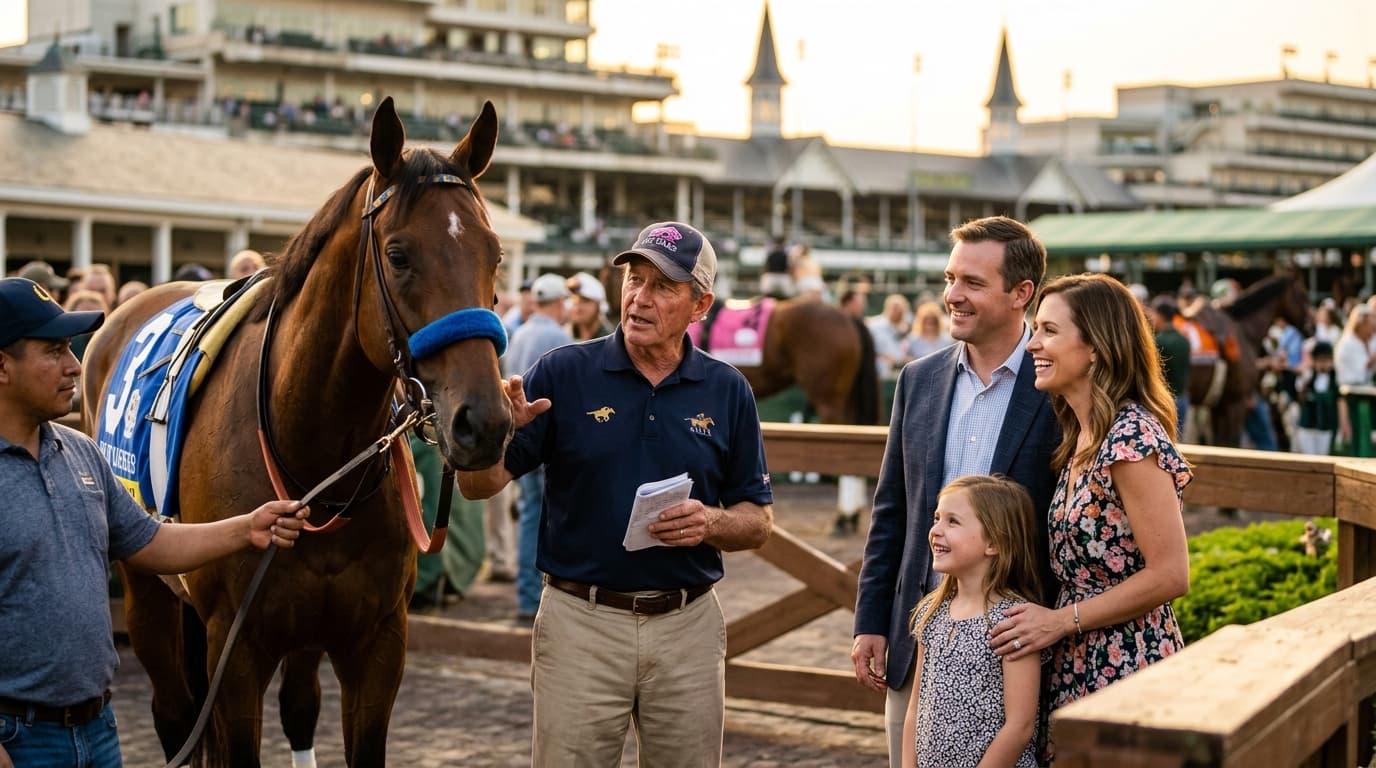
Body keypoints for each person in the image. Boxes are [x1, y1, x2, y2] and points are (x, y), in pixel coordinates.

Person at [457, 221, 773, 766]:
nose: (639, 299)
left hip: (688, 626)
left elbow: (758, 521)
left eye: (663, 287)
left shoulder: (728, 390)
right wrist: (492, 437)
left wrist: (711, 523)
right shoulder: (563, 372)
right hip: (581, 622)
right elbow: (477, 486)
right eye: (634, 279)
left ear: (701, 305)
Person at [0, 277, 308, 768]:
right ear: (2, 368)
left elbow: (148, 541)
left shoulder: (81, 453)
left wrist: (247, 527)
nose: (74, 365)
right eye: (53, 351)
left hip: (98, 731)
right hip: (19, 740)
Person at [852, 216, 1058, 768]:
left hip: (1012, 649)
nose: (952, 296)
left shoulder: (1057, 387)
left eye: (971, 282)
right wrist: (870, 619)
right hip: (917, 639)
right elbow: (891, 511)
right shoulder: (917, 379)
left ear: (1022, 294)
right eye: (950, 279)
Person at [991, 273, 1191, 760]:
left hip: (1128, 664)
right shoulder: (1080, 436)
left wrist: (1062, 621)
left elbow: (1171, 574)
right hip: (1078, 662)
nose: (1033, 343)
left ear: (1097, 347)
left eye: (1049, 331)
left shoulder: (1130, 439)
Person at [902, 475, 1042, 768]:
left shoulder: (1014, 621)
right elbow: (916, 707)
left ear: (994, 542)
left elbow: (1020, 725)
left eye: (952, 522)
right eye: (937, 518)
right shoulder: (932, 611)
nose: (935, 530)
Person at [502, 272, 574, 621]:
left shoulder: (519, 333)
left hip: (519, 440)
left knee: (530, 516)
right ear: (560, 303)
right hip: (549, 443)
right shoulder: (559, 337)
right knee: (549, 517)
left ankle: (528, 597)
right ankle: (545, 598)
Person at [1150, 297, 1192, 434]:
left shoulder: (1158, 342)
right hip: (1182, 399)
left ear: (1160, 316)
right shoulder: (1184, 340)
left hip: (1164, 402)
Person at [1295, 341, 1339, 456]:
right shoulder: (1308, 376)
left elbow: (1338, 400)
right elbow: (1300, 396)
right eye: (1320, 360)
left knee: (1323, 456)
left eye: (1326, 360)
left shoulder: (1334, 379)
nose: (1323, 364)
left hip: (1325, 425)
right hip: (1308, 425)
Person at [868, 293, 913, 379]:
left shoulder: (909, 327)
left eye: (901, 308)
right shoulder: (874, 326)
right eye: (894, 307)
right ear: (887, 308)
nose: (897, 311)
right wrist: (883, 357)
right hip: (879, 374)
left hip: (902, 374)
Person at [565, 270, 613, 340]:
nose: (577, 308)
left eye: (585, 301)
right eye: (575, 300)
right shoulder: (566, 337)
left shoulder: (610, 340)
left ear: (599, 306)